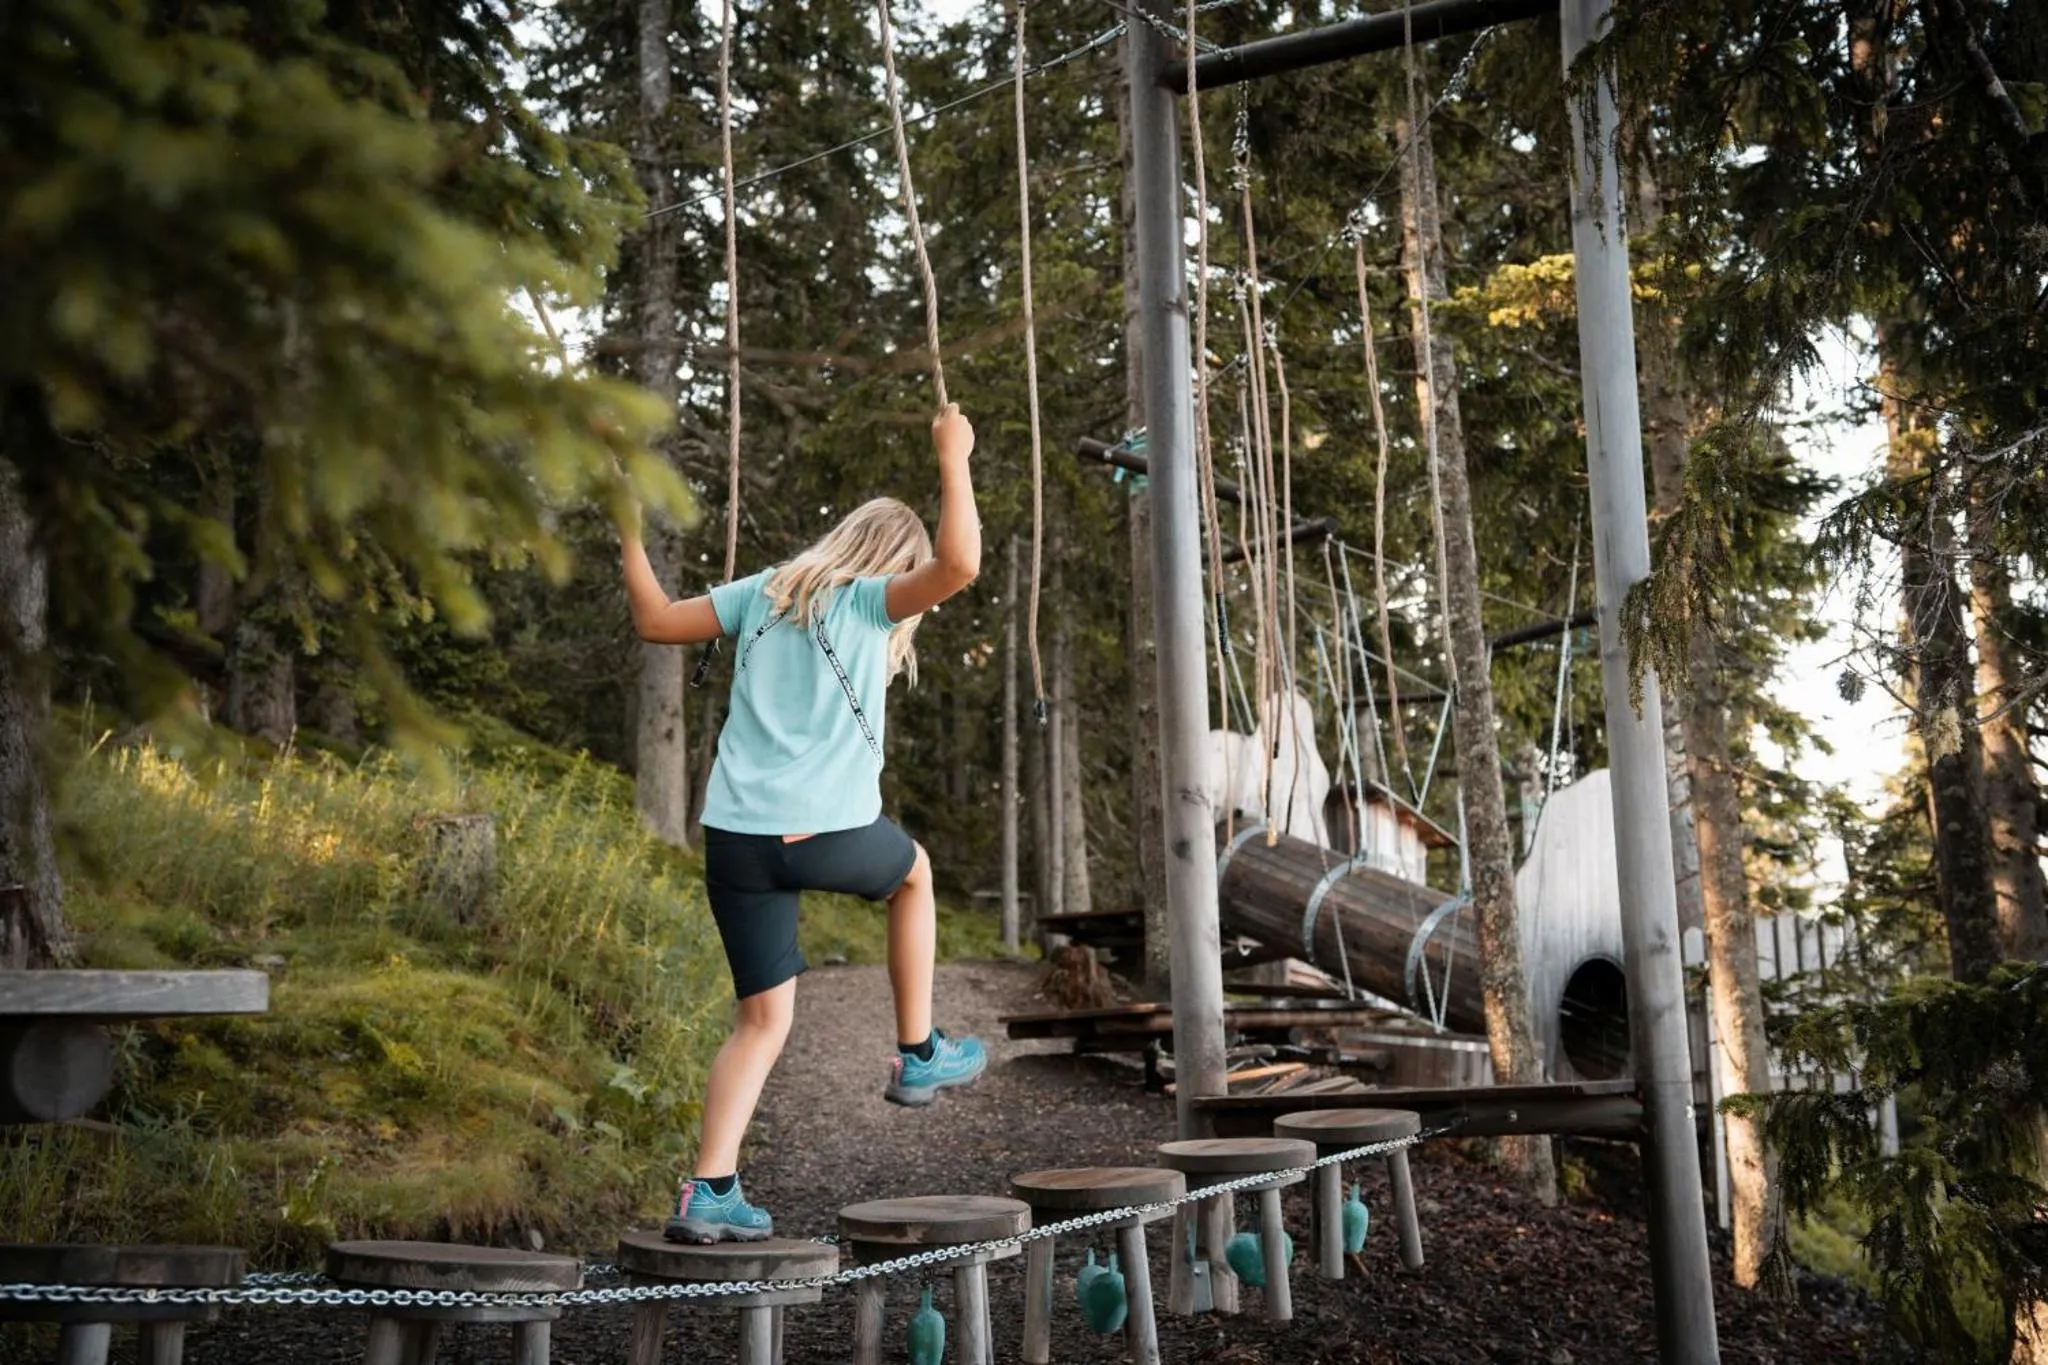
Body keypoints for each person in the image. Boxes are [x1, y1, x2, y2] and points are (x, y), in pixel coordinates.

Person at [619, 403, 987, 1244]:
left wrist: (629, 532)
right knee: (913, 873)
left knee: (760, 1020)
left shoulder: (763, 594)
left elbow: (654, 619)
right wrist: (951, 453)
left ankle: (709, 1189)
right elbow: (962, 561)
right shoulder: (867, 604)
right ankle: (919, 1048)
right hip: (821, 829)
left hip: (737, 840)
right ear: (895, 562)